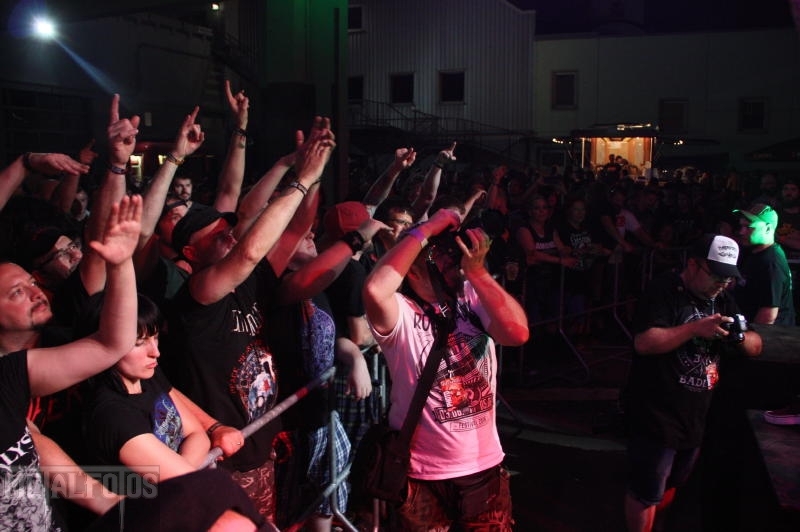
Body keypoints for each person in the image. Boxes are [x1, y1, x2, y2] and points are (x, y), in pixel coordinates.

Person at [166, 118, 334, 523]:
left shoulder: (249, 281)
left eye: (229, 231)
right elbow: (247, 253)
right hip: (220, 460)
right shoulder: (198, 293)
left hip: (257, 448)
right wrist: (300, 180)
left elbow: (295, 229)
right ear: (190, 254)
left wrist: (313, 174)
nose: (229, 237)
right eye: (216, 237)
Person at [362, 205, 529, 530]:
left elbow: (517, 333)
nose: (452, 260)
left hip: (482, 468)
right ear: (413, 270)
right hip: (422, 475)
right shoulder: (401, 312)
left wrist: (478, 273)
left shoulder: (470, 296)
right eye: (439, 255)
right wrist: (427, 228)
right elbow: (374, 289)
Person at [0, 194, 142, 529]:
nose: (36, 293)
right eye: (17, 292)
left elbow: (112, 344)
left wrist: (121, 265)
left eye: (32, 283)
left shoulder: (9, 375)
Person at [622, 234, 762, 532]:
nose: (722, 284)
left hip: (695, 414)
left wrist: (738, 337)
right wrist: (695, 329)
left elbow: (756, 345)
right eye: (716, 275)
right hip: (657, 411)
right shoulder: (664, 290)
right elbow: (644, 343)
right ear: (694, 264)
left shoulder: (722, 299)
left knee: (673, 482)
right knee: (645, 491)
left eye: (728, 278)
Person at [733, 203, 795, 326]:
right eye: (741, 226)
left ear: (767, 229)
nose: (741, 231)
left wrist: (749, 335)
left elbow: (768, 317)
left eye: (749, 227)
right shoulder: (752, 252)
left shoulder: (772, 263)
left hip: (773, 335)